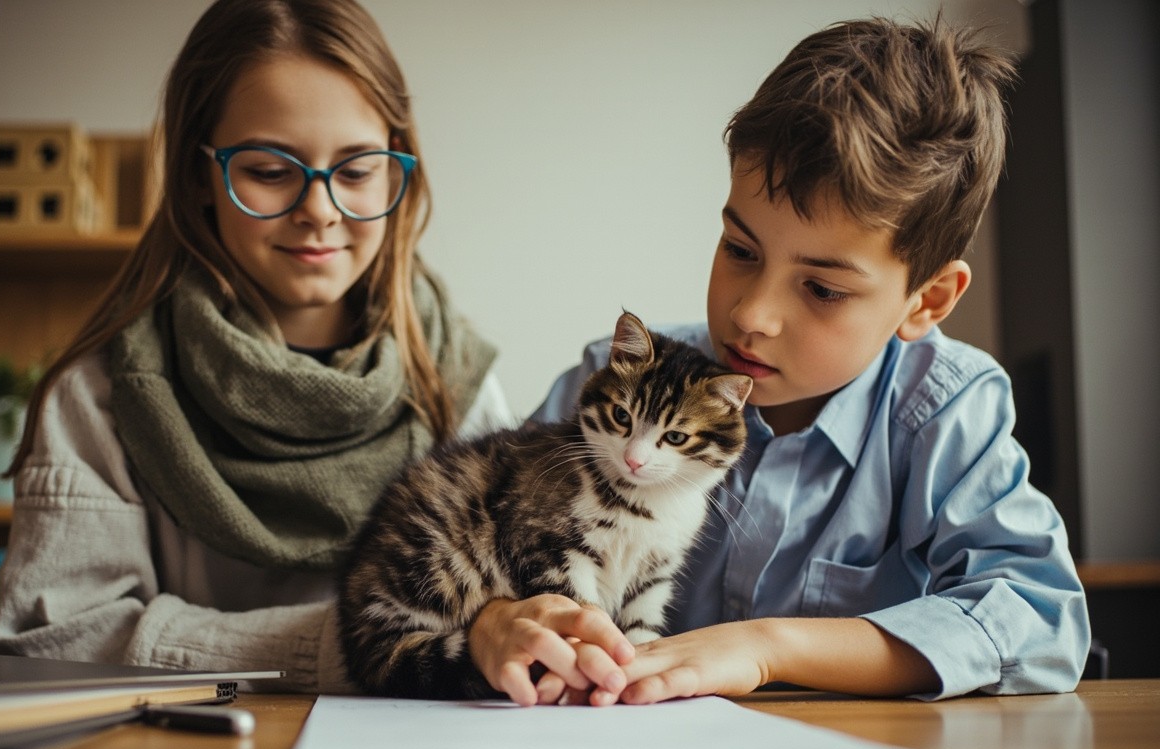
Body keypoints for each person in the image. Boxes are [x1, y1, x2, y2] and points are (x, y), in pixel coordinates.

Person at [466, 16, 1090, 706]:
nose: (750, 316)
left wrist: (767, 646)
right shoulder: (615, 386)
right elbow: (482, 539)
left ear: (927, 300)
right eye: (740, 250)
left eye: (822, 288)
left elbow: (1042, 623)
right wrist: (491, 623)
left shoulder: (943, 412)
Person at [0, 0, 509, 692]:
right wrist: (361, 644)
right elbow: (56, 642)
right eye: (270, 170)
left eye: (356, 170)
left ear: (395, 171)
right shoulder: (96, 398)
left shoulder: (457, 387)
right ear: (200, 175)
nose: (321, 209)